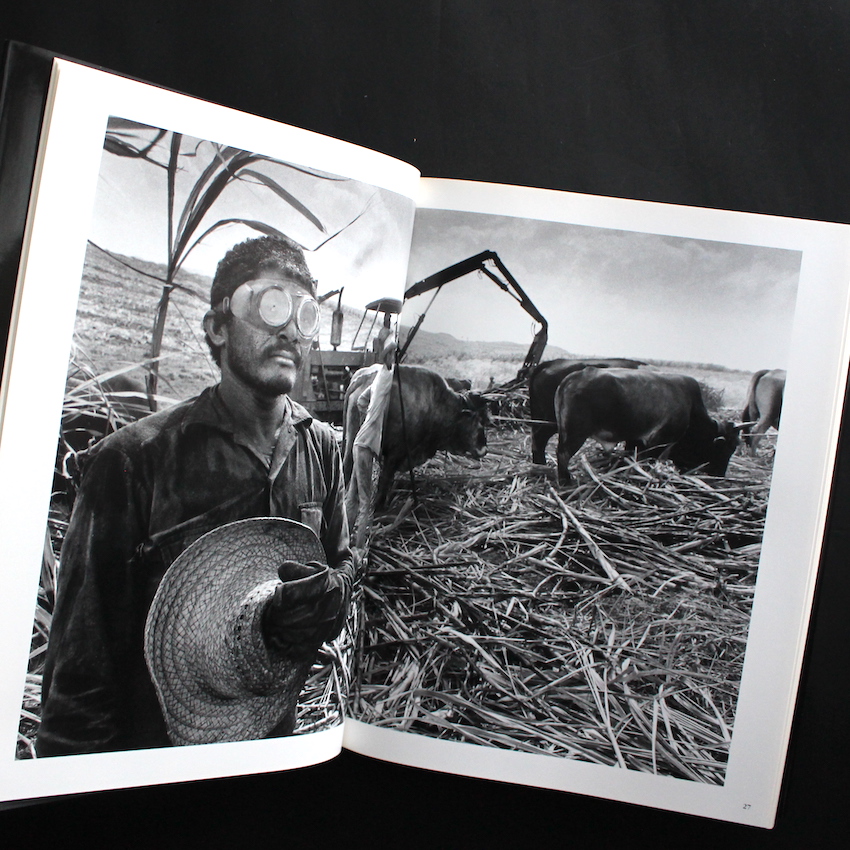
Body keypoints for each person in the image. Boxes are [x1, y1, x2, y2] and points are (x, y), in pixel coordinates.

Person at [36, 235, 353, 756]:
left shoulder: (321, 449)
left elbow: (341, 561)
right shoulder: (135, 463)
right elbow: (79, 677)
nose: (290, 330)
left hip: (274, 749)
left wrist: (326, 599)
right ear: (218, 326)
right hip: (153, 762)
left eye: (305, 315)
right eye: (270, 305)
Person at [344, 337, 396, 547]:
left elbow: (360, 400)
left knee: (352, 497)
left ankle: (342, 543)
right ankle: (357, 548)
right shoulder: (387, 377)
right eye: (394, 355)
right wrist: (375, 424)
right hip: (366, 447)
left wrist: (368, 418)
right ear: (389, 357)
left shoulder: (377, 379)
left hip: (359, 442)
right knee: (366, 503)